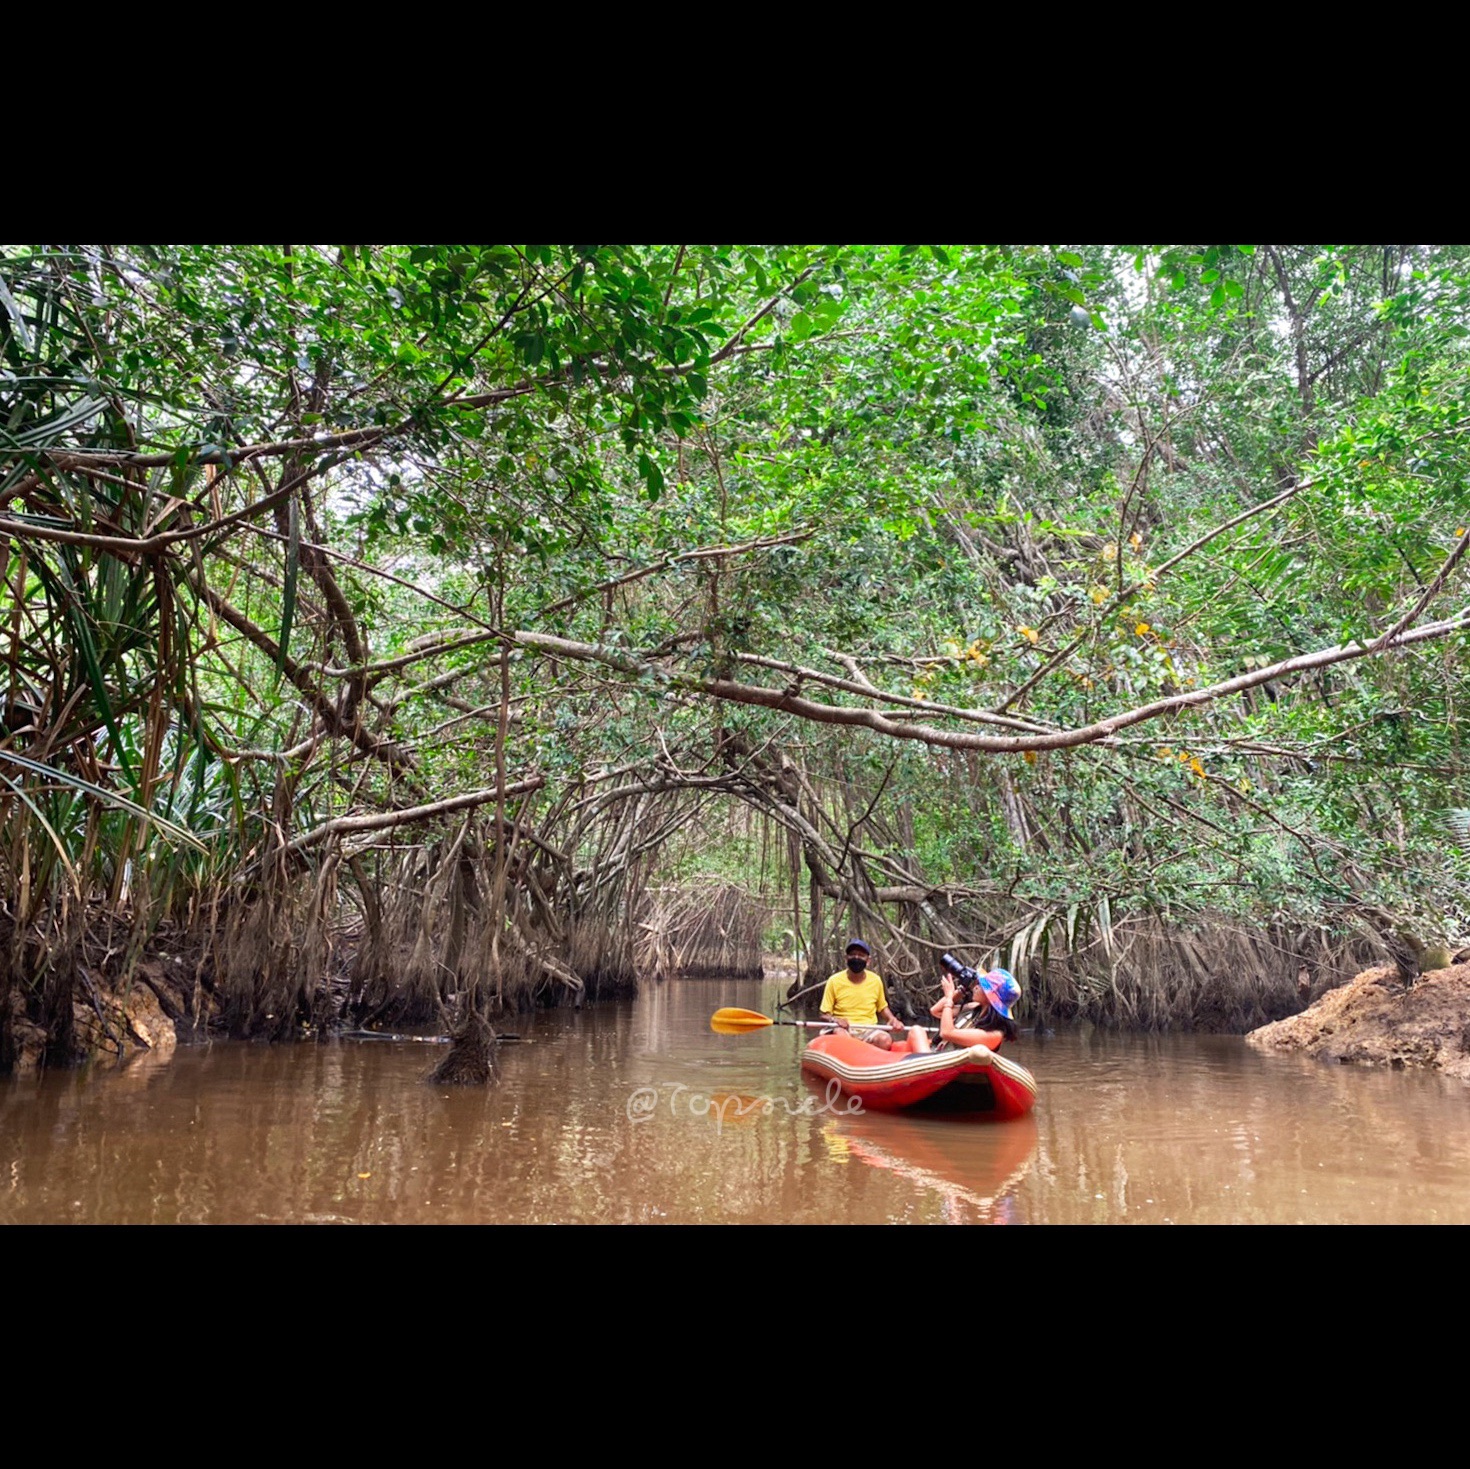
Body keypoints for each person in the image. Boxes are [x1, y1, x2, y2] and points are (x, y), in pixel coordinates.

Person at [819, 938, 926, 1052]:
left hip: (868, 1029)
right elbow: (823, 1014)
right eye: (852, 954)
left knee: (885, 1039)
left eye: (861, 955)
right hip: (842, 1029)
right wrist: (835, 1020)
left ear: (868, 960)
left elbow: (882, 1007)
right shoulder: (834, 981)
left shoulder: (875, 980)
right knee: (841, 1036)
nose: (856, 958)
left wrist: (892, 1019)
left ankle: (866, 1060)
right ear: (846, 958)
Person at [908, 965, 1021, 1054]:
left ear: (990, 997)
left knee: (916, 1031)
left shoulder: (994, 1035)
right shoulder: (973, 1008)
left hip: (949, 1065)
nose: (976, 987)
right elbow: (936, 1011)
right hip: (939, 1053)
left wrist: (948, 998)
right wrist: (961, 991)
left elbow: (946, 1033)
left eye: (982, 986)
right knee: (917, 1031)